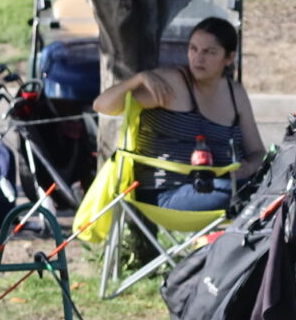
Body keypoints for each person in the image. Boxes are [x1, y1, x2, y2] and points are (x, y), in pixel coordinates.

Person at [94, 15, 262, 212]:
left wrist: (249, 167)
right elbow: (102, 105)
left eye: (209, 52)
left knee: (273, 188)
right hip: (165, 193)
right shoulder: (173, 84)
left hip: (225, 187)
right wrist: (138, 79)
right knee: (244, 193)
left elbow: (257, 152)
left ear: (230, 58)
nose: (198, 58)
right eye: (193, 49)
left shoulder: (236, 93)